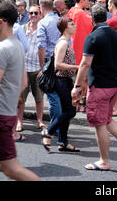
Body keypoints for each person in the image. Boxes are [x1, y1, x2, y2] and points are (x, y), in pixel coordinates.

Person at [71, 4, 117, 171]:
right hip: (114, 85)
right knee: (107, 119)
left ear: (92, 20)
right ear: (106, 18)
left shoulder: (92, 38)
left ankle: (104, 161)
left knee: (99, 123)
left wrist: (77, 86)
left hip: (99, 86)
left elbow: (85, 64)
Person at [0, 0, 40, 181]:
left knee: (12, 169)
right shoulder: (18, 45)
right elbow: (23, 83)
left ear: (2, 21)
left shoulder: (1, 49)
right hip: (7, 112)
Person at [41, 17, 79, 152]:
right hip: (61, 81)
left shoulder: (66, 42)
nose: (75, 25)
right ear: (64, 27)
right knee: (70, 111)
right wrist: (76, 67)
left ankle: (63, 142)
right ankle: (49, 131)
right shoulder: (63, 43)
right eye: (71, 24)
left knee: (66, 112)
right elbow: (58, 64)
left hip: (65, 81)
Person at [37, 0, 63, 146]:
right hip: (62, 62)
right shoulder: (61, 21)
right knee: (60, 95)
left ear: (41, 7)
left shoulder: (43, 22)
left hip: (50, 63)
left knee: (53, 98)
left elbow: (41, 47)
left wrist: (42, 68)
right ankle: (59, 127)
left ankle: (56, 128)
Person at [16, 4, 45, 133]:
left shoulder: (42, 30)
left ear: (40, 15)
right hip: (23, 69)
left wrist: (43, 68)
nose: (33, 15)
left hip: (38, 69)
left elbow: (48, 50)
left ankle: (39, 121)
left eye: (36, 13)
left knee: (39, 98)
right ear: (28, 15)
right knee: (21, 98)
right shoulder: (22, 29)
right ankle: (19, 122)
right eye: (31, 13)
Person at [67, 0, 93, 66]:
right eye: (88, 0)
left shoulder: (71, 11)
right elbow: (91, 29)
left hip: (72, 48)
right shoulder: (80, 13)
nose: (89, 2)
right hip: (79, 50)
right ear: (82, 0)